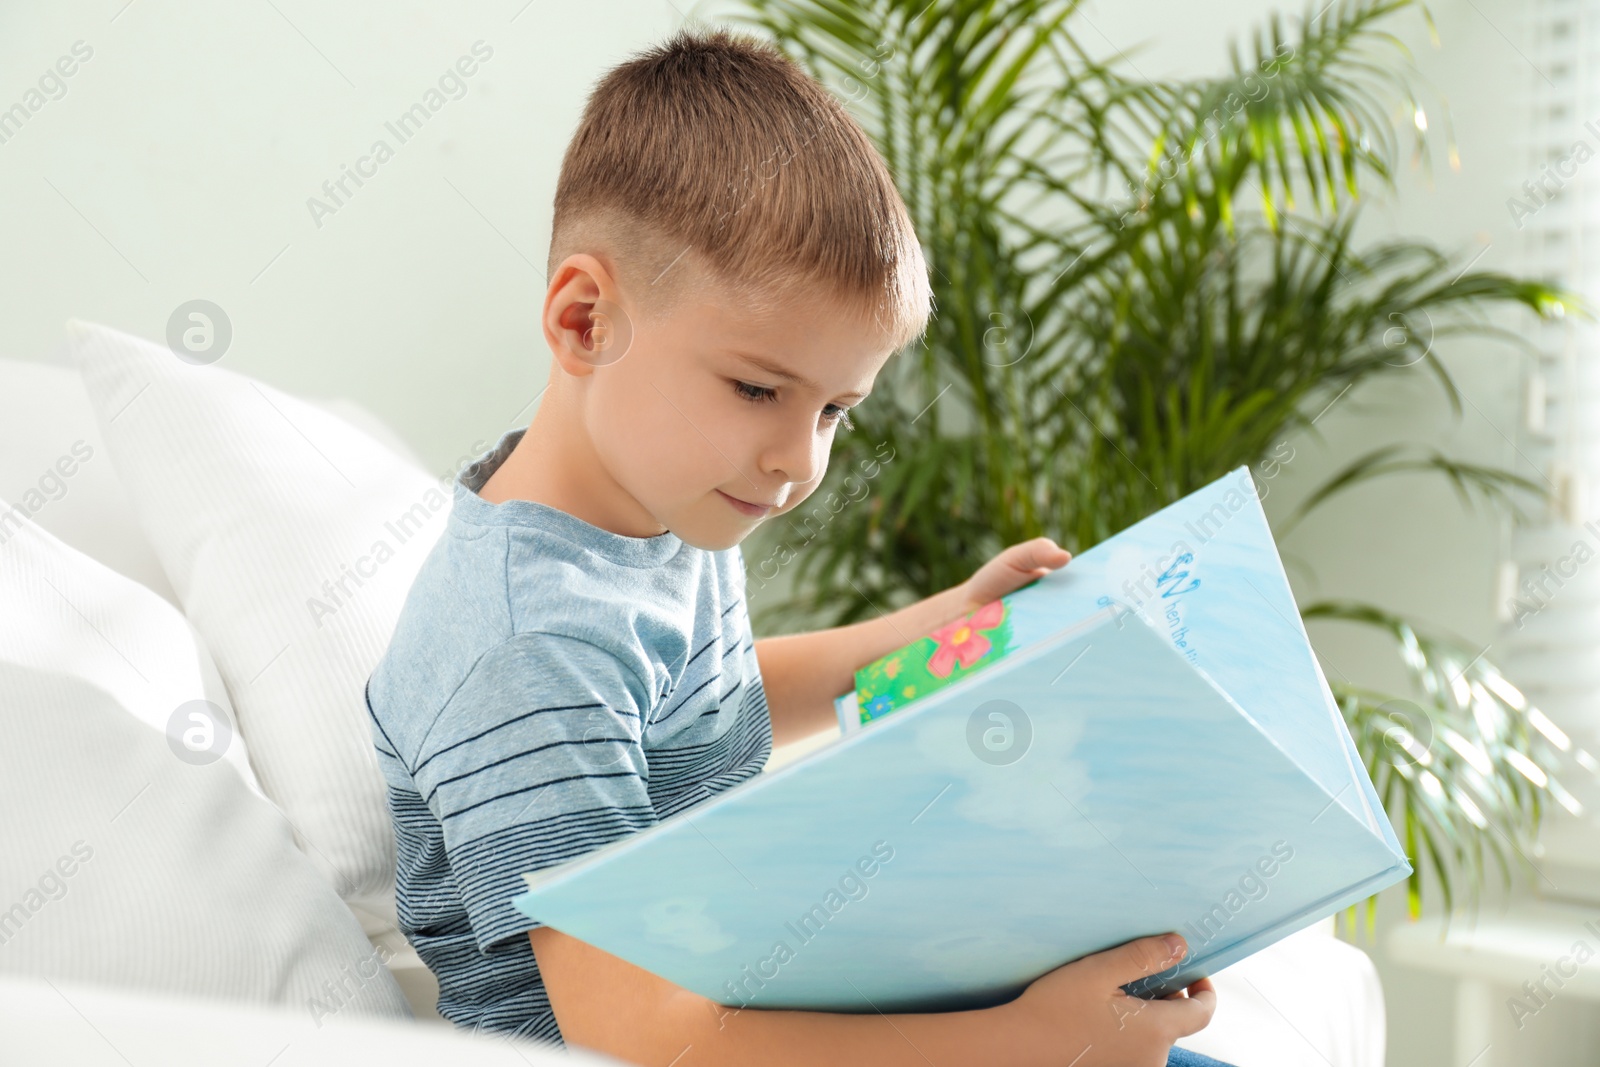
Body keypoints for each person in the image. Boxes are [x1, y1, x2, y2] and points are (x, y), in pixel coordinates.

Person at [366, 25, 1233, 1067]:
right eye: (758, 389)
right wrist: (1020, 1042)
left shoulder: (650, 513)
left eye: (834, 411)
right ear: (586, 320)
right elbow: (635, 1033)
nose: (795, 461)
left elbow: (703, 704)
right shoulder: (526, 650)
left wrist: (942, 624)